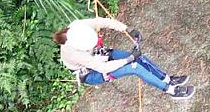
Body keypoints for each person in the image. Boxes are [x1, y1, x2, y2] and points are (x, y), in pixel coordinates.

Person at [53, 17, 195, 100]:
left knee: (139, 58)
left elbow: (103, 21)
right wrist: (129, 59)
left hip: (99, 56)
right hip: (91, 73)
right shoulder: (75, 54)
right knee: (134, 67)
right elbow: (103, 68)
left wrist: (128, 29)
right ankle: (170, 90)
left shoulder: (78, 26)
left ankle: (167, 79)